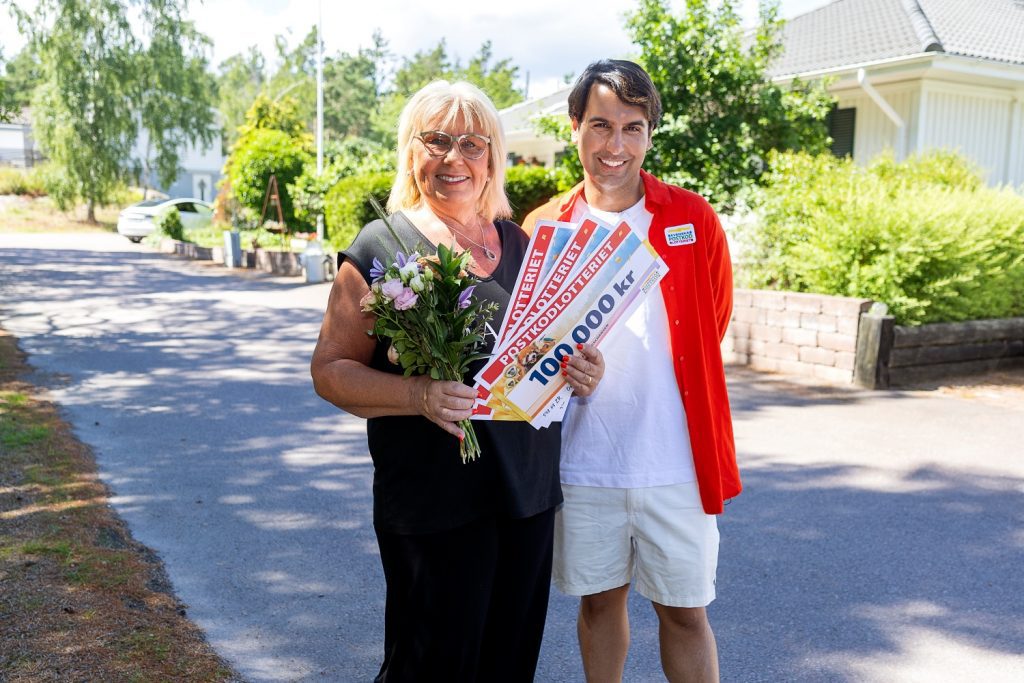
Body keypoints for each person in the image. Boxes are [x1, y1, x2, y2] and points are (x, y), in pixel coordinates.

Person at [310, 80, 604, 683]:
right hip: (432, 503)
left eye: (472, 143)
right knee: (429, 666)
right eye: (437, 140)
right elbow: (330, 372)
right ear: (411, 150)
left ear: (492, 156)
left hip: (526, 496)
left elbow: (545, 354)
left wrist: (581, 370)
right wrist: (415, 395)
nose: (454, 159)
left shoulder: (524, 244)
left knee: (508, 663)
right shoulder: (382, 247)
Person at [522, 60, 740, 683]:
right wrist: (562, 368)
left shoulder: (692, 219)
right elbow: (525, 350)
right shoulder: (543, 228)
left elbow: (711, 321)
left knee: (686, 614)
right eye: (600, 125)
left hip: (675, 459)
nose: (614, 146)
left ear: (649, 134)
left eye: (632, 127)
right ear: (574, 128)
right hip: (583, 461)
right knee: (598, 604)